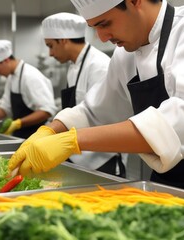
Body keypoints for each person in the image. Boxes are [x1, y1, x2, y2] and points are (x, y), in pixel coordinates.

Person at [8, 0, 184, 207]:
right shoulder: (126, 55)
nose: (101, 37)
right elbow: (96, 110)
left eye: (105, 23)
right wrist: (52, 130)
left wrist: (72, 142)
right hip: (170, 180)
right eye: (94, 27)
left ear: (135, 1)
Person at [41, 12, 126, 177]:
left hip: (102, 160)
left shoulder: (99, 66)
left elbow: (104, 117)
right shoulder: (74, 66)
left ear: (64, 39)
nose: (50, 53)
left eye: (50, 45)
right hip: (76, 155)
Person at [0, 40, 57, 139]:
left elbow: (47, 111)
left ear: (6, 60)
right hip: (20, 136)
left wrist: (18, 123)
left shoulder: (31, 76)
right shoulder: (11, 77)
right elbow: (4, 110)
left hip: (38, 137)